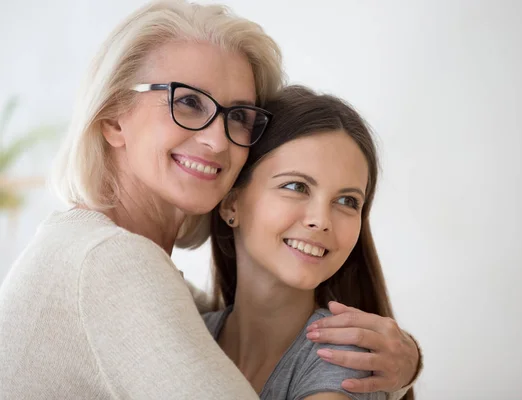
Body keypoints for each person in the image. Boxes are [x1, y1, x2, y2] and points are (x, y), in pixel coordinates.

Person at [0, 1, 420, 399]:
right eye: (187, 102)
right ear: (113, 118)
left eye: (238, 115)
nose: (217, 139)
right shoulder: (108, 262)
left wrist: (401, 366)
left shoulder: (110, 261)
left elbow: (207, 316)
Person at [204, 85, 418, 400]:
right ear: (231, 203)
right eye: (296, 186)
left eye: (347, 200)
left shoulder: (344, 355)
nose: (321, 219)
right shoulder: (190, 331)